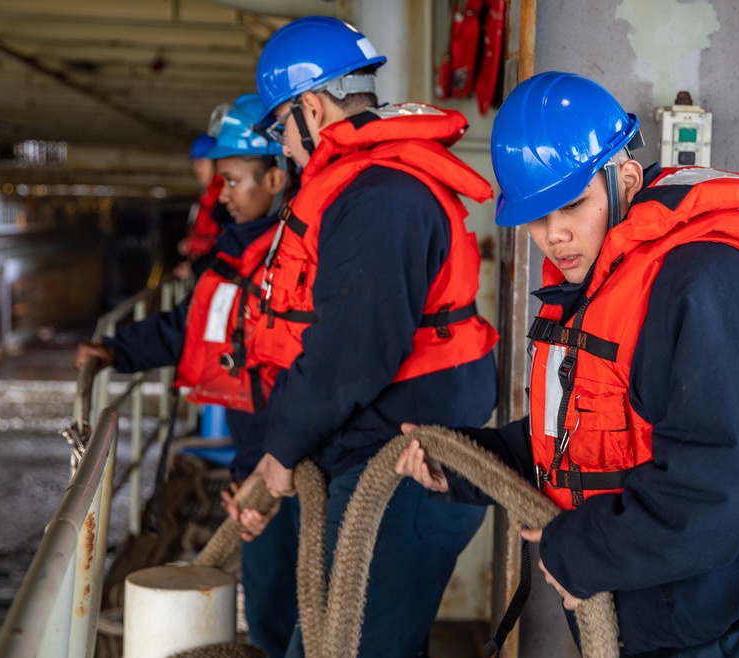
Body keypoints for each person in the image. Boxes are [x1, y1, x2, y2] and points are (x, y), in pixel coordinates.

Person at [395, 72, 739, 657]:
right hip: (653, 603)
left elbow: (731, 485)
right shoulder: (596, 287)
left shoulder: (708, 282)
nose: (554, 235)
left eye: (573, 205)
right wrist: (462, 462)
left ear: (625, 178)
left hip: (732, 615)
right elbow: (577, 444)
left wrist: (584, 552)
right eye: (537, 218)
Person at [228, 16, 501, 658]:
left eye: (280, 130)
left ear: (311, 109)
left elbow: (351, 355)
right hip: (378, 451)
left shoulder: (382, 196)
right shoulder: (368, 186)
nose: (284, 150)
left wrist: (282, 449)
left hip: (402, 467)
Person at [74, 95, 300, 658]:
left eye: (232, 180)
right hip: (262, 451)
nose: (221, 193)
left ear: (276, 177)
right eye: (220, 181)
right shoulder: (236, 252)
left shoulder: (299, 257)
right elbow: (188, 325)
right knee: (272, 600)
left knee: (313, 597)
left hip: (295, 453)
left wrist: (267, 463)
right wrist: (116, 350)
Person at [175, 132, 226, 278]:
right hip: (208, 274)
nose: (196, 168)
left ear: (217, 162)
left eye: (202, 162)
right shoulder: (206, 197)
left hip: (218, 275)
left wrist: (195, 267)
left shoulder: (224, 197)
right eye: (195, 162)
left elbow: (226, 243)